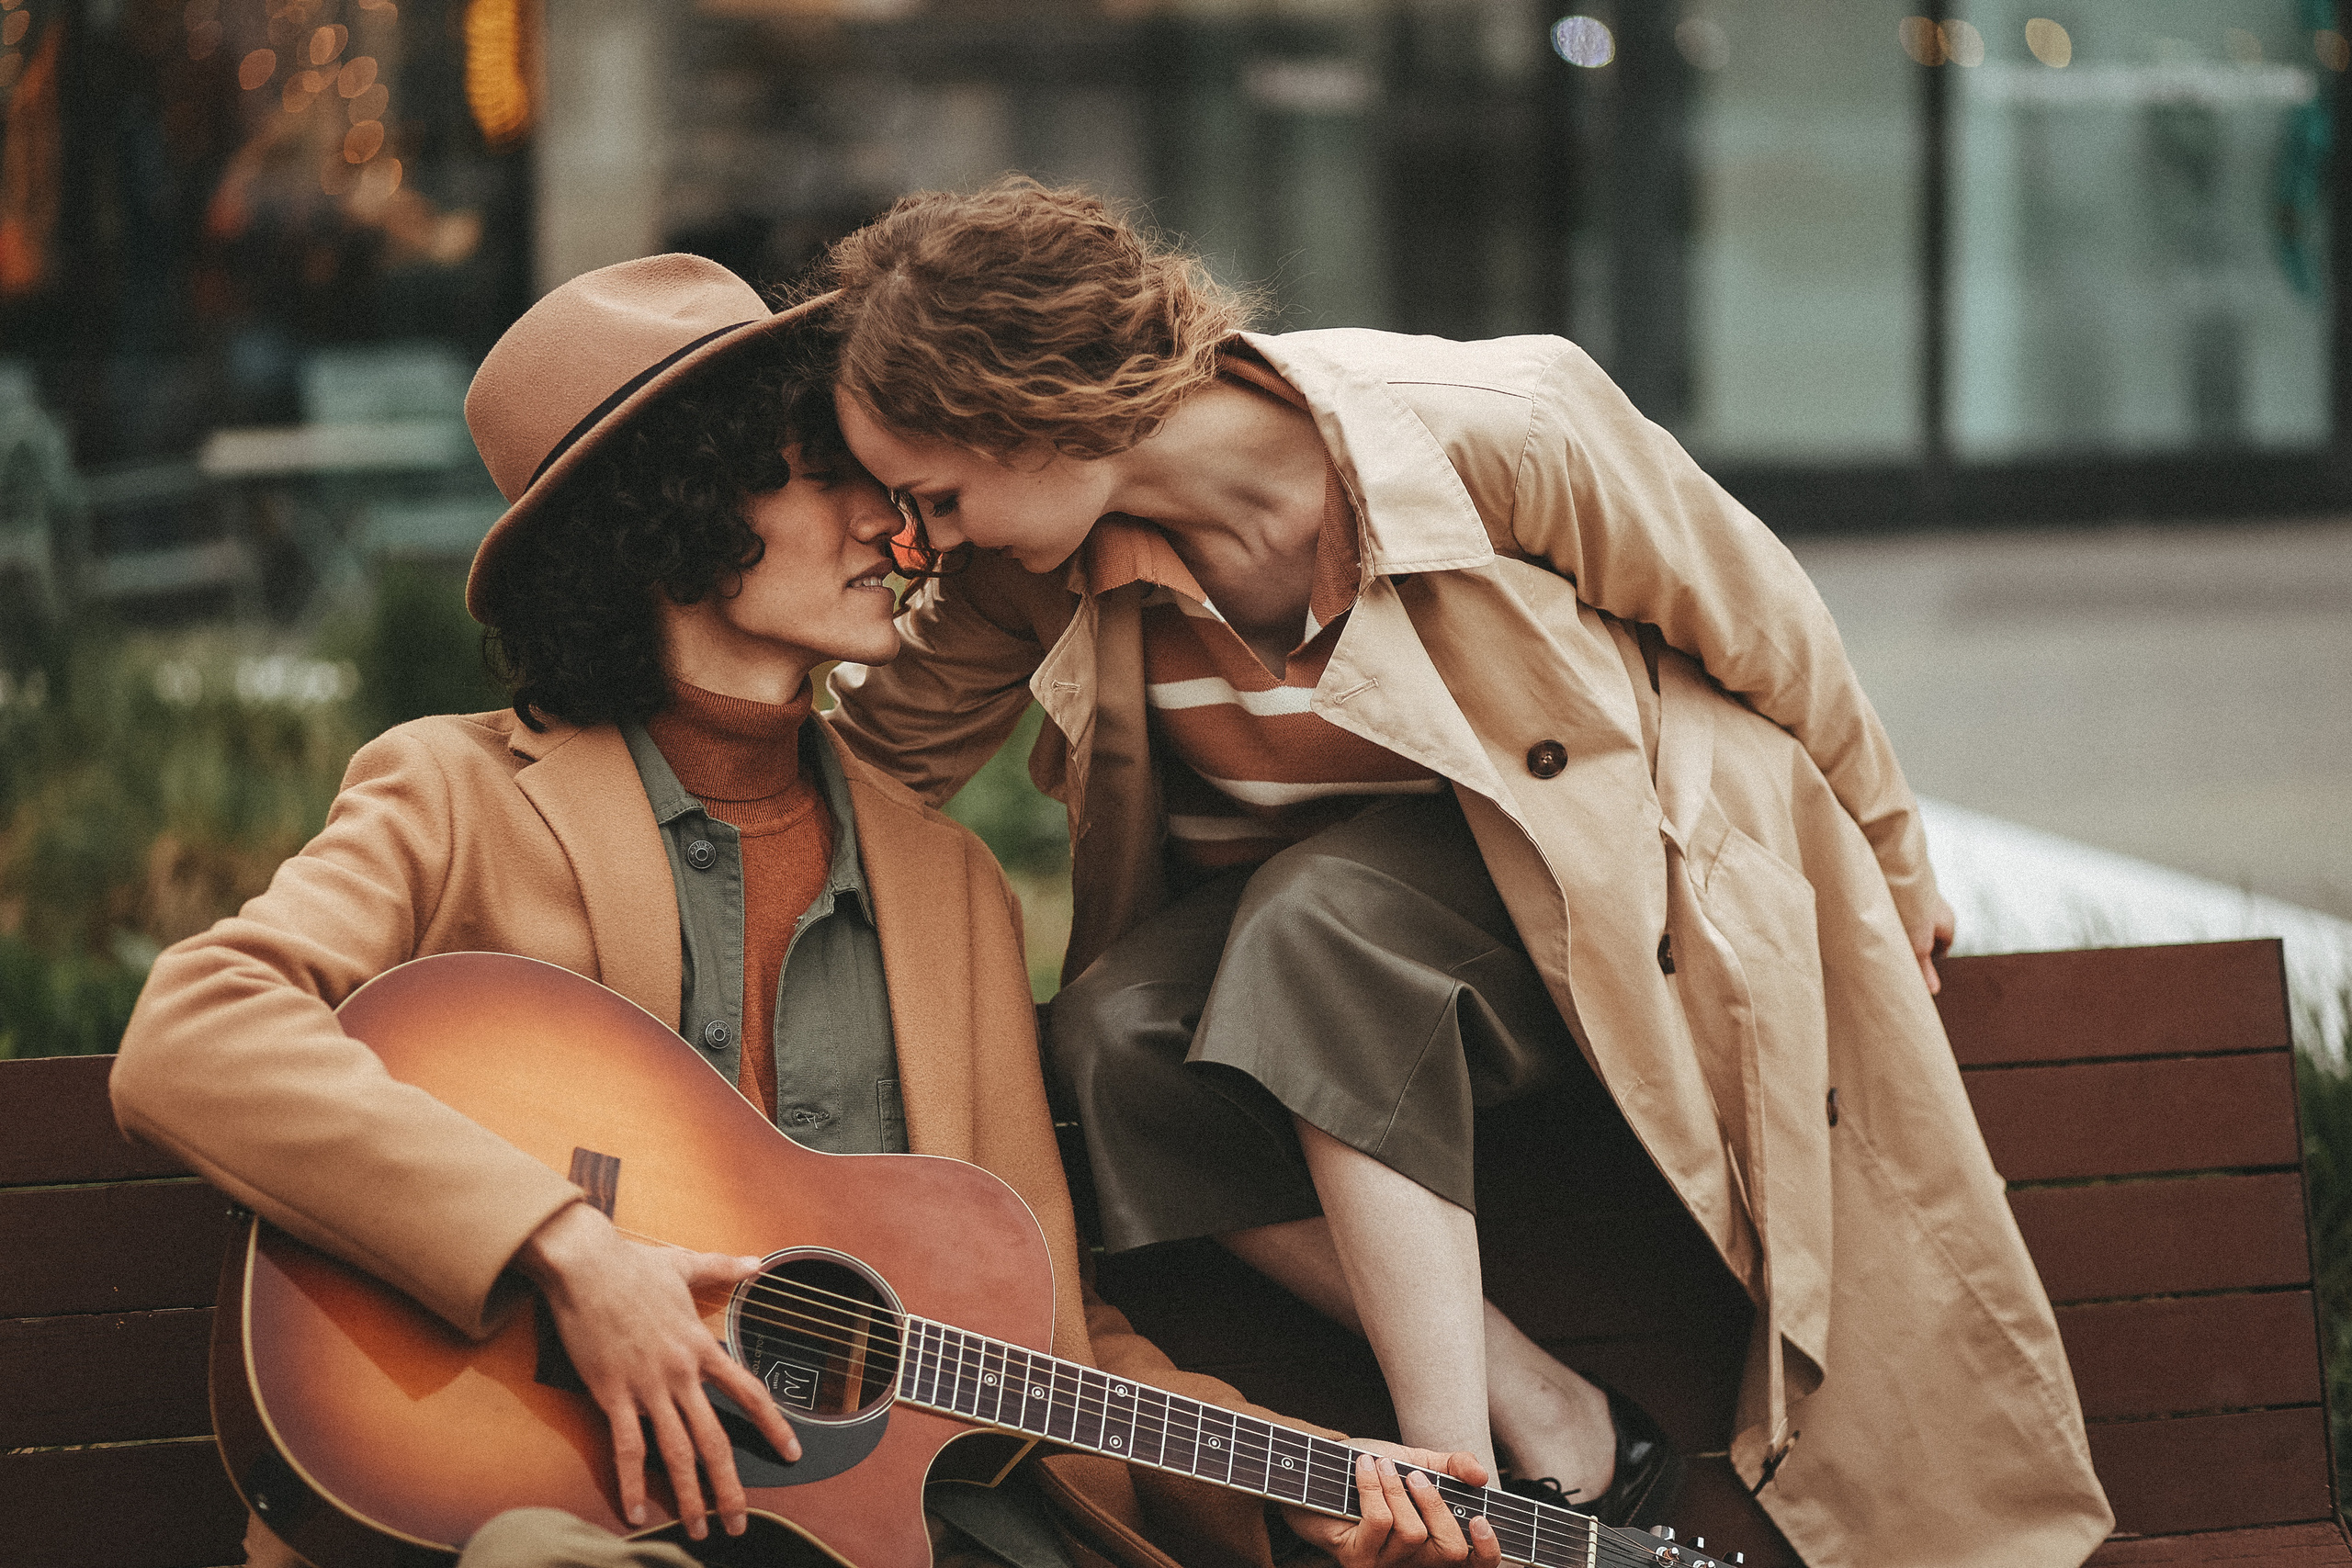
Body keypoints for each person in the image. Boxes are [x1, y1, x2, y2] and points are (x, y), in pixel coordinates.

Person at [109, 255, 1499, 1568]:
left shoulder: (947, 885)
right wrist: (565, 1250)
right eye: (831, 478)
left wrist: (1311, 1486)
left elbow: (1044, 1339)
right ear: (678, 517)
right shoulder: (453, 797)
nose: (896, 525)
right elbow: (198, 1036)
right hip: (550, 1511)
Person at [816, 181, 2115, 1567]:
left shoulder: (1499, 429)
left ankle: (1461, 1503)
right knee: (1111, 1039)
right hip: (1338, 973)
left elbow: (1771, 634)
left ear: (1034, 410)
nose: (927, 539)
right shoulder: (1038, 569)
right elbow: (874, 762)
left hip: (1600, 918)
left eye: (935, 496)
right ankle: (1548, 1413)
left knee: (1317, 928)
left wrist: (1895, 871)